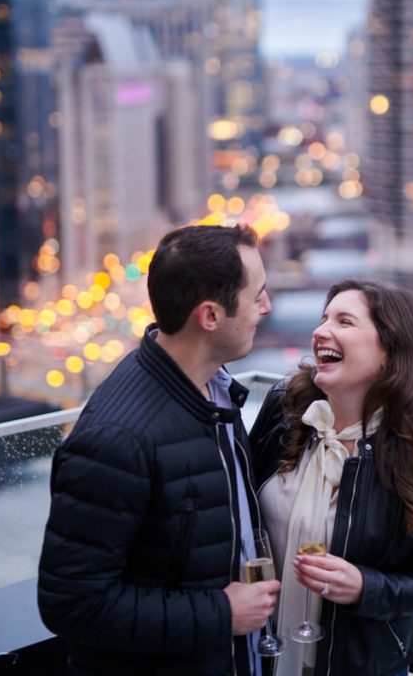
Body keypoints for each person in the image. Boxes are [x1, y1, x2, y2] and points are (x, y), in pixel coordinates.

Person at [38, 224, 281, 675]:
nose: (266, 307)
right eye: (257, 295)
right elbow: (73, 605)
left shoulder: (213, 392)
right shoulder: (117, 441)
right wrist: (222, 615)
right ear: (209, 316)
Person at [249, 279, 413, 676]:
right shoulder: (284, 410)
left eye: (345, 321)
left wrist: (365, 589)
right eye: (323, 319)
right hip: (259, 653)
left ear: (389, 352)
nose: (320, 332)